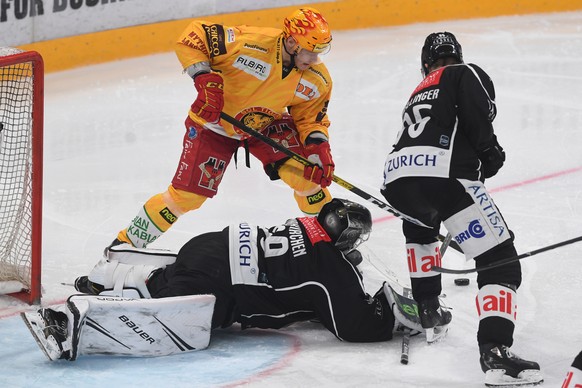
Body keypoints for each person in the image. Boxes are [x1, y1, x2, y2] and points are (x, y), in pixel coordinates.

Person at [23, 199, 425, 361]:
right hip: (215, 285)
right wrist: (396, 315)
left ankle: (117, 276)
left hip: (207, 247)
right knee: (162, 325)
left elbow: (305, 278)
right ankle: (72, 323)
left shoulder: (305, 223)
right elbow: (353, 325)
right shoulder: (331, 270)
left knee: (172, 280)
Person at [379, 32, 542, 386]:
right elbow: (476, 117)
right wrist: (490, 154)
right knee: (500, 260)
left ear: (425, 63)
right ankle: (495, 350)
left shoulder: (418, 89)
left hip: (397, 179)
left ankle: (428, 309)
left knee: (421, 229)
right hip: (444, 175)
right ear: (458, 55)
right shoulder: (464, 73)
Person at [108, 7, 336, 251]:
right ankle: (123, 245)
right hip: (213, 125)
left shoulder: (316, 78)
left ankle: (330, 246)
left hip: (265, 124)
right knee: (186, 197)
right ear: (291, 41)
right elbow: (193, 36)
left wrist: (317, 148)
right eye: (311, 51)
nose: (315, 59)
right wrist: (203, 77)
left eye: (320, 52)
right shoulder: (248, 43)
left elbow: (310, 118)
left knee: (307, 178)